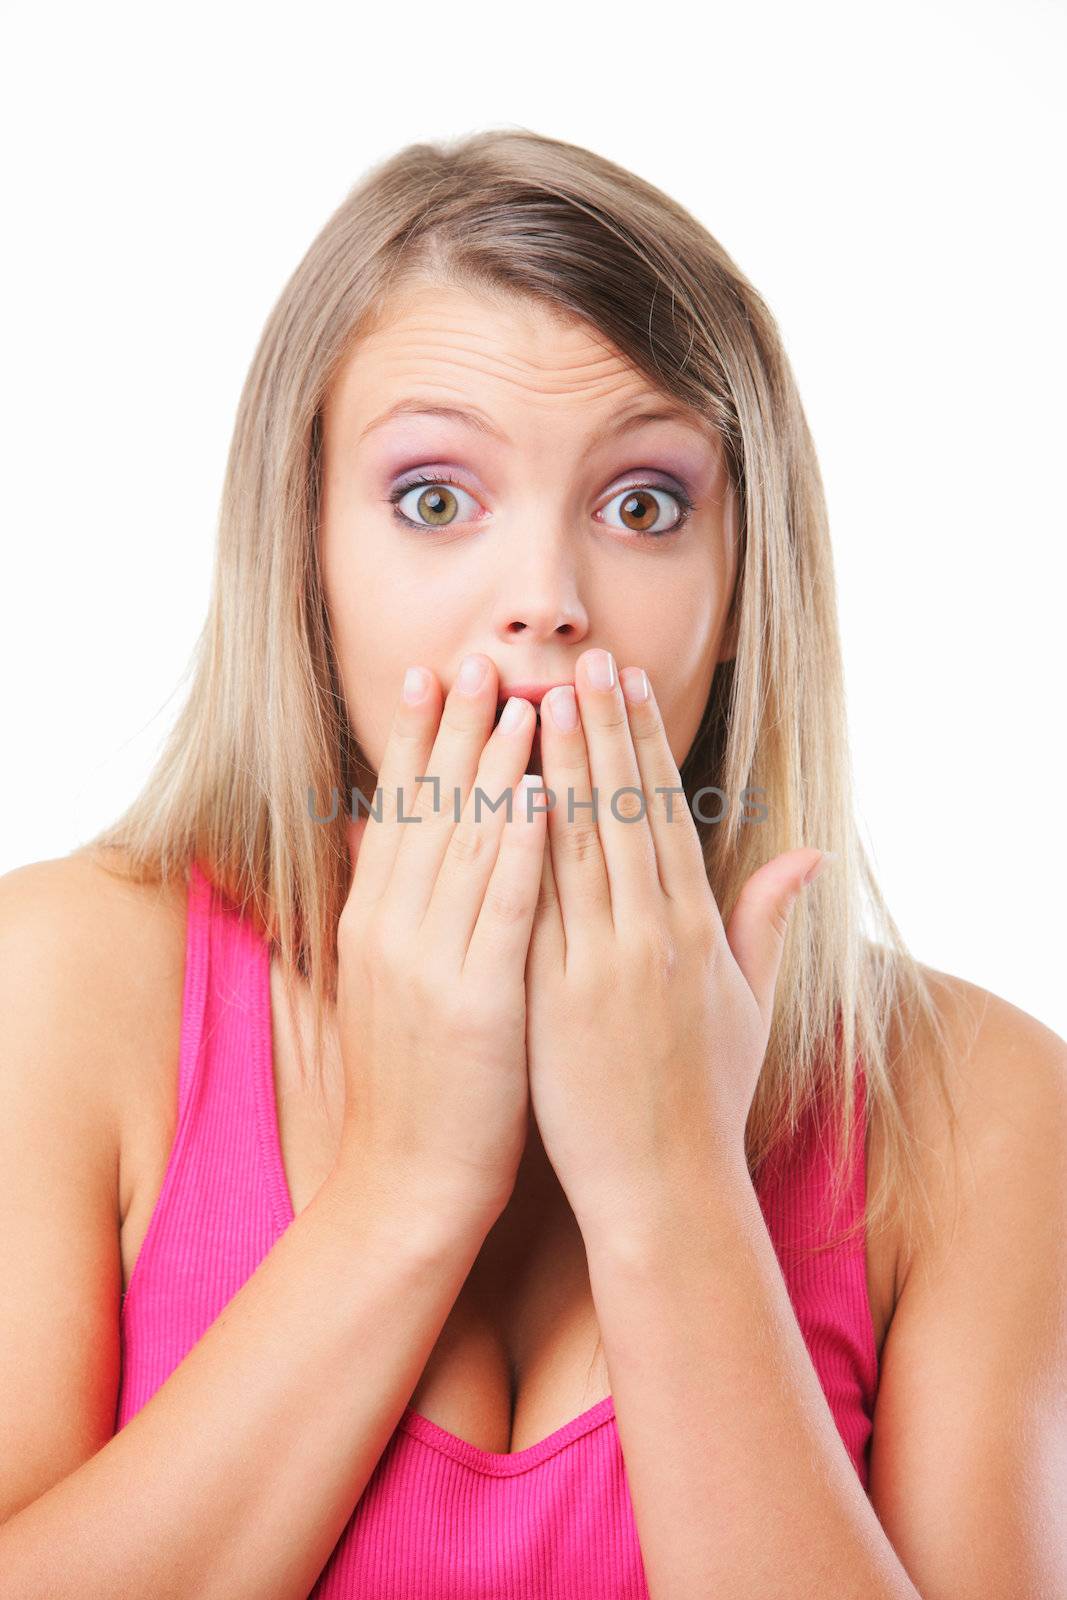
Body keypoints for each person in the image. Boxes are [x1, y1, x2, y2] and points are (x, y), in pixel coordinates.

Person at [0, 127, 1063, 1600]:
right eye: (435, 499)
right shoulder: (60, 985)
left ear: (748, 580)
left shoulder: (981, 1107)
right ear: (299, 550)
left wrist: (671, 1183)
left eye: (644, 505)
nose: (548, 605)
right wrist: (407, 1185)